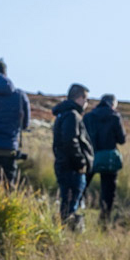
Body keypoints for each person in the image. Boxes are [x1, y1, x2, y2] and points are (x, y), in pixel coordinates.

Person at [51, 84, 93, 231]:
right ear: (79, 98)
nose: (87, 104)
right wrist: (80, 161)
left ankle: (64, 231)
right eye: (86, 99)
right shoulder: (72, 115)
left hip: (65, 165)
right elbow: (70, 140)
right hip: (72, 168)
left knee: (68, 202)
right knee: (70, 204)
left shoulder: (63, 114)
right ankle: (67, 233)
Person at [83, 93, 127, 225]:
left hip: (91, 156)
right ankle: (104, 221)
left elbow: (83, 137)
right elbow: (122, 139)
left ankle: (74, 215)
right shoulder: (115, 117)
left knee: (81, 186)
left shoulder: (88, 116)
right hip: (109, 159)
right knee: (108, 192)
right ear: (113, 104)